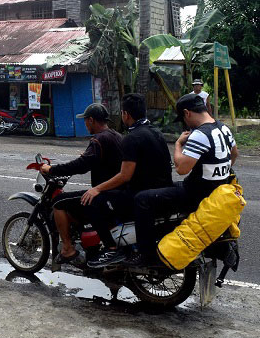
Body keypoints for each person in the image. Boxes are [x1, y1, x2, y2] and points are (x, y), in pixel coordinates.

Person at [128, 93, 239, 265]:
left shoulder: (200, 134)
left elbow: (181, 168)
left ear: (187, 113)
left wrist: (179, 144)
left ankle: (146, 256)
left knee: (142, 200)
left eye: (183, 119)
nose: (185, 123)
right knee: (164, 191)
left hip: (196, 193)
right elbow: (234, 154)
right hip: (218, 191)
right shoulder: (223, 128)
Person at [81, 93, 174, 268]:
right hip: (161, 192)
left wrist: (97, 189)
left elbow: (125, 175)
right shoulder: (156, 133)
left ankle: (111, 248)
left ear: (126, 115)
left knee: (92, 201)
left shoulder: (132, 138)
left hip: (140, 194)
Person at [38, 103, 122, 265]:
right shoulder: (116, 136)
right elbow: (100, 161)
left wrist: (52, 169)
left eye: (85, 121)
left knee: (58, 203)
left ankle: (68, 249)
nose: (85, 124)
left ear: (91, 120)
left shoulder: (99, 139)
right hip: (117, 192)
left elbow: (81, 166)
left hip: (104, 194)